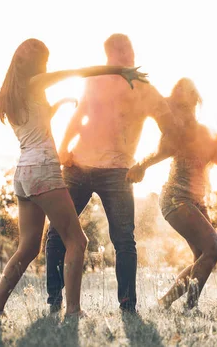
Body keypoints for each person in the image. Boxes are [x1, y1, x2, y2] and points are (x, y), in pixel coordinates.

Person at [0, 38, 144, 316]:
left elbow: (35, 123)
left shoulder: (8, 95)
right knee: (77, 241)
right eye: (45, 61)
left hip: (23, 172)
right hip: (44, 169)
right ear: (39, 63)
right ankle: (73, 310)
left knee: (27, 248)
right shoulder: (36, 82)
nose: (47, 66)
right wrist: (118, 71)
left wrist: (58, 105)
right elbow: (78, 72)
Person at [45, 34, 178, 314]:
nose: (123, 56)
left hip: (119, 172)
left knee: (124, 240)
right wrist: (63, 149)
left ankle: (127, 306)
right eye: (116, 52)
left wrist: (144, 164)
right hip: (78, 167)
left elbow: (171, 133)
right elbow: (80, 115)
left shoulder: (144, 89)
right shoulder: (94, 80)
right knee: (57, 232)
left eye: (127, 50)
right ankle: (55, 300)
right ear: (107, 56)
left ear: (132, 51)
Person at [126, 78, 217, 310]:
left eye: (191, 105)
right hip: (176, 199)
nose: (187, 110)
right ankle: (190, 308)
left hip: (196, 201)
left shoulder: (204, 132)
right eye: (182, 106)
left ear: (196, 103)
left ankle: (164, 302)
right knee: (213, 247)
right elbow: (162, 152)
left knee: (203, 257)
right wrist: (141, 166)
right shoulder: (176, 130)